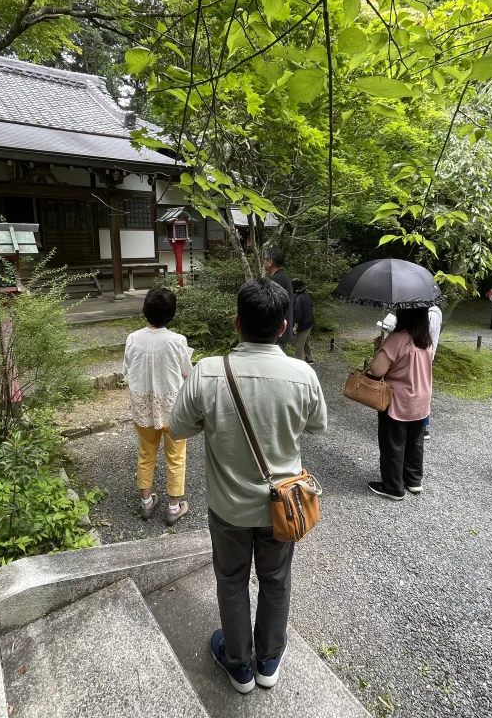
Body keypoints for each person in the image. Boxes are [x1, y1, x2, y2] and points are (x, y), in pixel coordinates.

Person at [169, 278, 327, 694]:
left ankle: (238, 665)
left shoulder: (208, 372)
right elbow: (317, 425)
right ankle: (269, 660)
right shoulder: (302, 374)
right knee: (276, 579)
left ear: (237, 323)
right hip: (283, 507)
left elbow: (178, 426)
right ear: (283, 328)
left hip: (228, 509)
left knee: (231, 579)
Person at [122, 287, 194, 525]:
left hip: (143, 407)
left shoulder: (133, 338)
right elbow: (187, 374)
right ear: (171, 314)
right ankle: (174, 507)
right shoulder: (178, 341)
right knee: (176, 457)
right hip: (173, 409)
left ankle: (146, 503)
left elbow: (127, 371)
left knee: (146, 453)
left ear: (145, 310)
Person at [367, 307, 434, 500]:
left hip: (398, 399)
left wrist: (379, 349)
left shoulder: (396, 339)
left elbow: (378, 370)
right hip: (421, 399)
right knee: (415, 441)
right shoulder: (425, 339)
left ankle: (393, 487)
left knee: (393, 443)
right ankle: (413, 480)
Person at [263, 247, 294, 350]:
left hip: (277, 333)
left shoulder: (278, 280)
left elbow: (274, 307)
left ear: (270, 261)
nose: (263, 262)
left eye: (265, 259)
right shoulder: (282, 277)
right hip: (281, 330)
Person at [424, 304, 442, 441]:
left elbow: (423, 331)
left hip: (423, 358)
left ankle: (423, 426)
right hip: (421, 356)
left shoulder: (432, 313)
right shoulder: (430, 312)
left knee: (422, 390)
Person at [291, 278, 315, 364]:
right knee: (306, 341)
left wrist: (295, 327)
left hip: (304, 324)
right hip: (310, 322)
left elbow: (298, 314)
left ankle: (298, 363)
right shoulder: (305, 295)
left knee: (299, 344)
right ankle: (309, 358)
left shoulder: (298, 299)